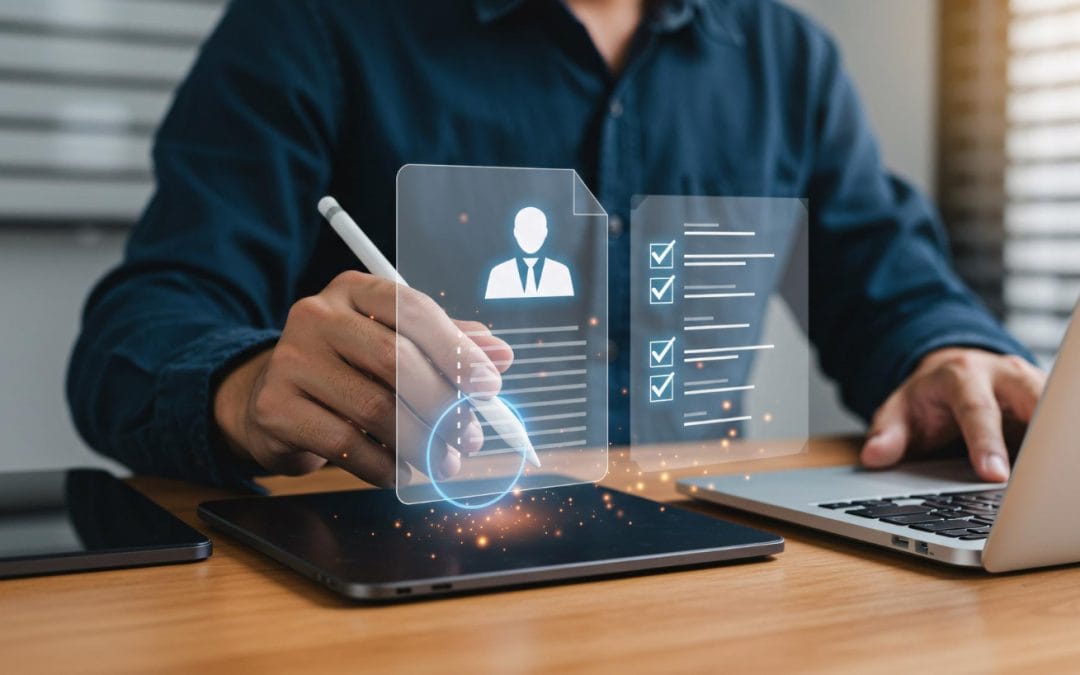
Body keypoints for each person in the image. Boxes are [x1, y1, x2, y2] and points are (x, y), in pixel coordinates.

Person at [67, 0, 1046, 491]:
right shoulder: (311, 26)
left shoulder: (788, 57)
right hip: (397, 582)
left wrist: (941, 351)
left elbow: (891, 284)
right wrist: (245, 386)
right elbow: (138, 329)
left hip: (705, 576)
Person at [484, 206, 575, 299]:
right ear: (515, 232)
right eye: (525, 230)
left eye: (536, 230)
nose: (530, 237)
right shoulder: (498, 273)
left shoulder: (561, 272)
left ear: (545, 232)